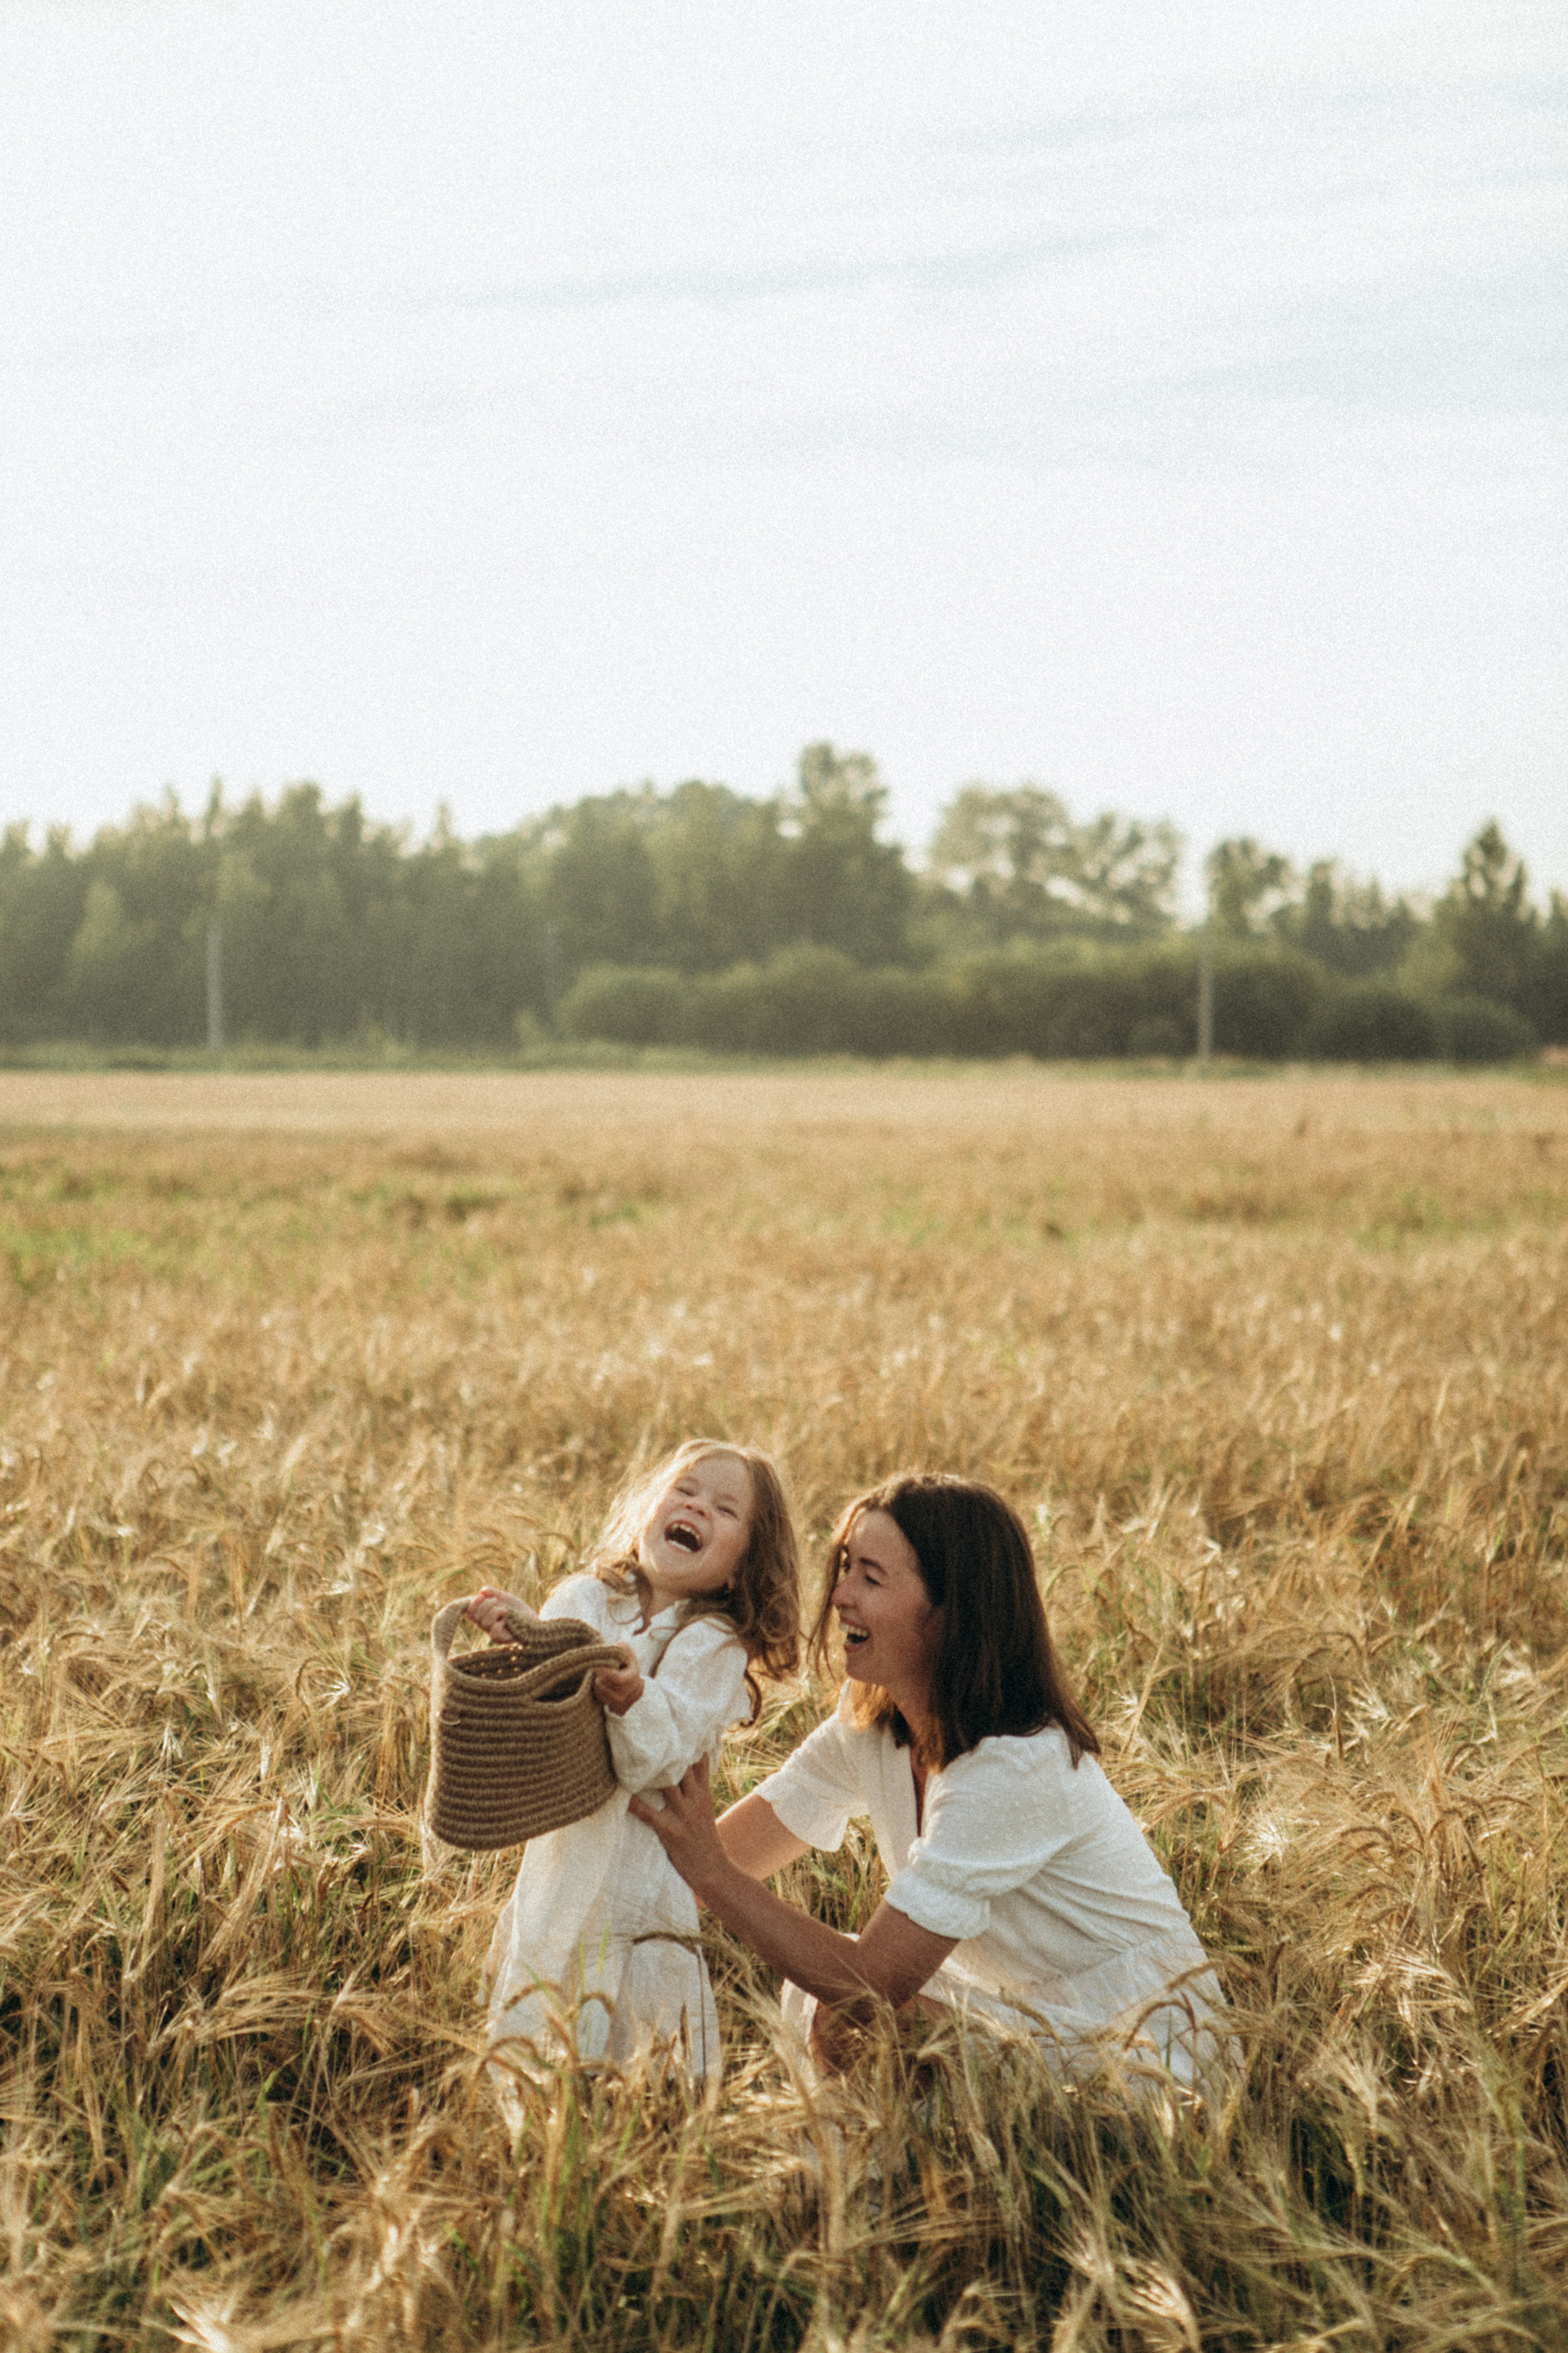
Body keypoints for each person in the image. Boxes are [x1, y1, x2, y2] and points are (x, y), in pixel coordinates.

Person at [631, 1472, 1229, 2091]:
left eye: (870, 1577)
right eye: (845, 1567)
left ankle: (872, 2154)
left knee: (859, 2014)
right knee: (829, 1997)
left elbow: (870, 1983)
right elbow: (734, 1850)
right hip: (1023, 2016)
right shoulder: (874, 1719)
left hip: (1143, 2051)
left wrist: (710, 1871)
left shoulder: (1014, 1766)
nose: (839, 1595)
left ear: (951, 1613)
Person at [466, 1439, 800, 2082]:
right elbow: (547, 1707)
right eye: (685, 1490)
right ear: (646, 1510)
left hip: (641, 1886)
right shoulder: (586, 1598)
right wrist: (524, 1637)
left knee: (640, 2069)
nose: (696, 1507)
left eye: (724, 1509)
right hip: (558, 1869)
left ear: (741, 1569)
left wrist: (631, 1698)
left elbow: (658, 1762)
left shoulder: (714, 1644)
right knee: (535, 2037)